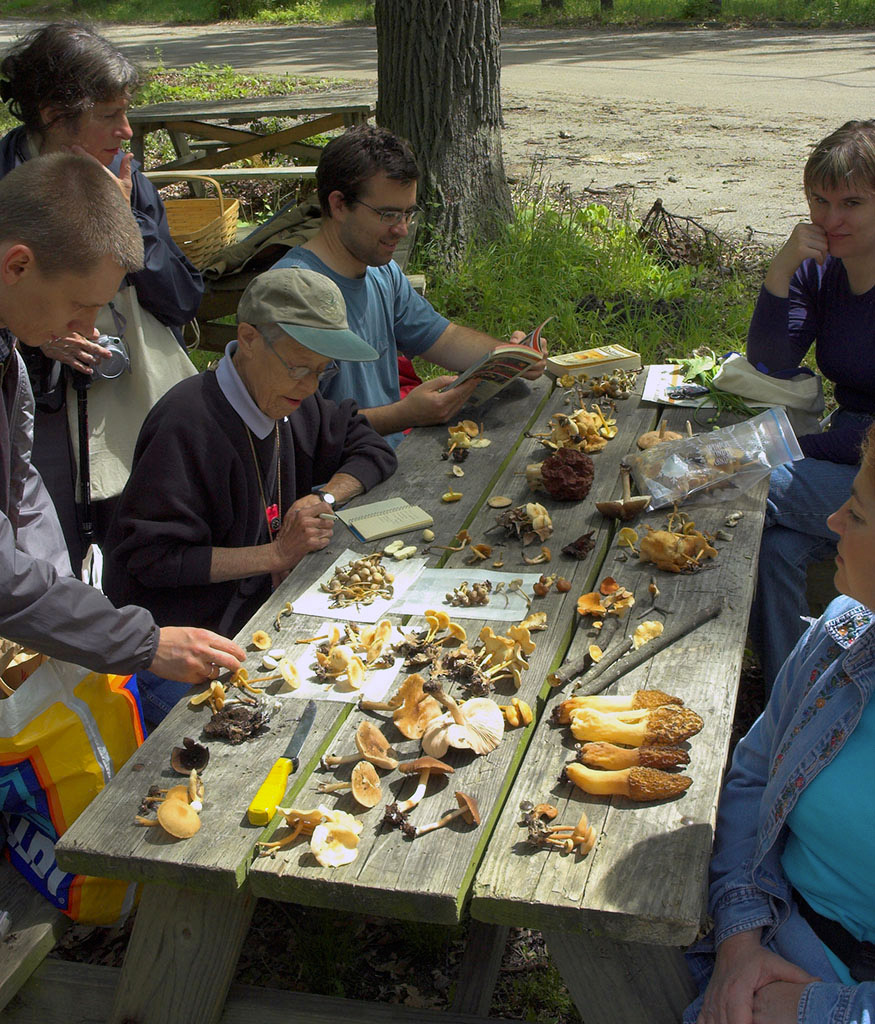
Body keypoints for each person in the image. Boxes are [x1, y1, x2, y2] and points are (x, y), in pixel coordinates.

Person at [102, 267, 397, 718]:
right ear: (249, 338)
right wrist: (274, 555)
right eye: (299, 366)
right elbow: (152, 559)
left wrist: (326, 498)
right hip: (183, 653)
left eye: (323, 370)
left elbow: (370, 447)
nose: (311, 386)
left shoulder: (294, 401)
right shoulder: (186, 423)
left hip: (264, 620)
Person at [0, 153, 244, 689]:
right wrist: (141, 641)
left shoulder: (10, 344)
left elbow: (20, 482)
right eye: (81, 305)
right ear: (17, 266)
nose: (87, 327)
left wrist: (73, 603)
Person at [684, 422, 875, 1024]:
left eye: (862, 515)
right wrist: (740, 940)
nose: (833, 520)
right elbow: (753, 777)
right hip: (773, 938)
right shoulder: (842, 633)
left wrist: (818, 1010)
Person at [0, 22, 203, 571]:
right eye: (109, 115)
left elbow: (183, 298)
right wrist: (39, 340)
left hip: (125, 408)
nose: (128, 130)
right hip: (35, 416)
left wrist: (126, 219)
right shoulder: (3, 183)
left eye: (127, 111)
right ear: (53, 116)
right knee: (43, 554)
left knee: (130, 545)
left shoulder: (128, 180)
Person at [272, 124, 546, 446]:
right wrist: (404, 415)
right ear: (339, 205)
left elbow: (443, 338)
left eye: (408, 213)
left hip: (387, 460)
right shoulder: (292, 294)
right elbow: (291, 430)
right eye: (388, 214)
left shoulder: (381, 273)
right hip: (334, 485)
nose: (402, 230)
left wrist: (510, 355)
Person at [746, 119, 875, 692]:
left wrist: (783, 445)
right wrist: (781, 271)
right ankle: (789, 702)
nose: (830, 220)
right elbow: (773, 357)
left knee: (748, 479)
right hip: (849, 463)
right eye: (818, 201)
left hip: (868, 463)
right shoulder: (824, 266)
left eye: (852, 202)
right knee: (774, 549)